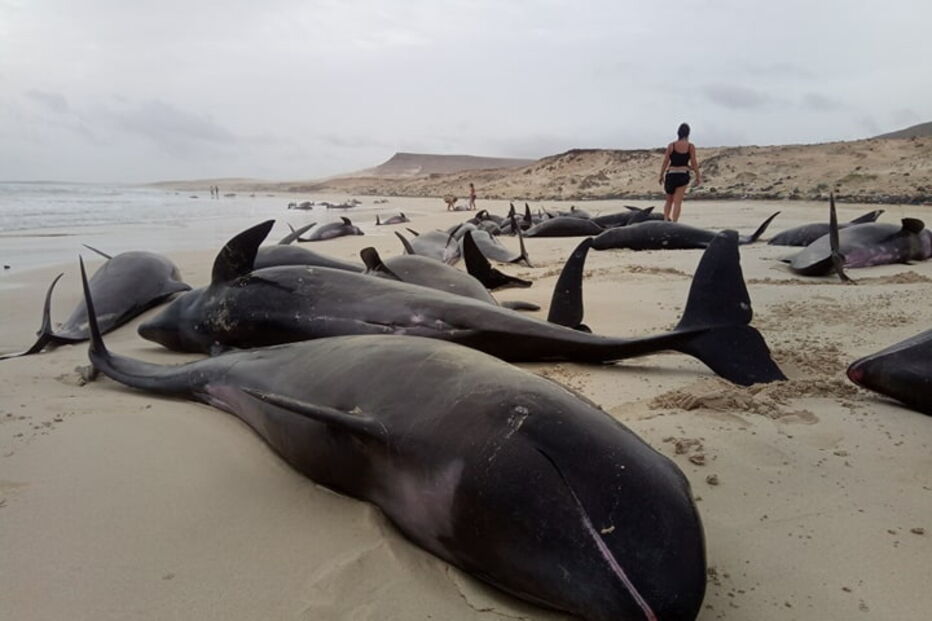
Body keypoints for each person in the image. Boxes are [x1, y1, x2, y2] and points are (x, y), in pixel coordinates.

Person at [658, 123, 701, 222]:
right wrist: (698, 176)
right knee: (677, 202)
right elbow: (694, 162)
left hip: (671, 174)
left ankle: (665, 221)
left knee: (669, 201)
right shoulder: (690, 146)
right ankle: (674, 223)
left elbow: (665, 161)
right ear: (688, 134)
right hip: (682, 174)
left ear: (678, 133)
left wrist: (661, 175)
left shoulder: (671, 145)